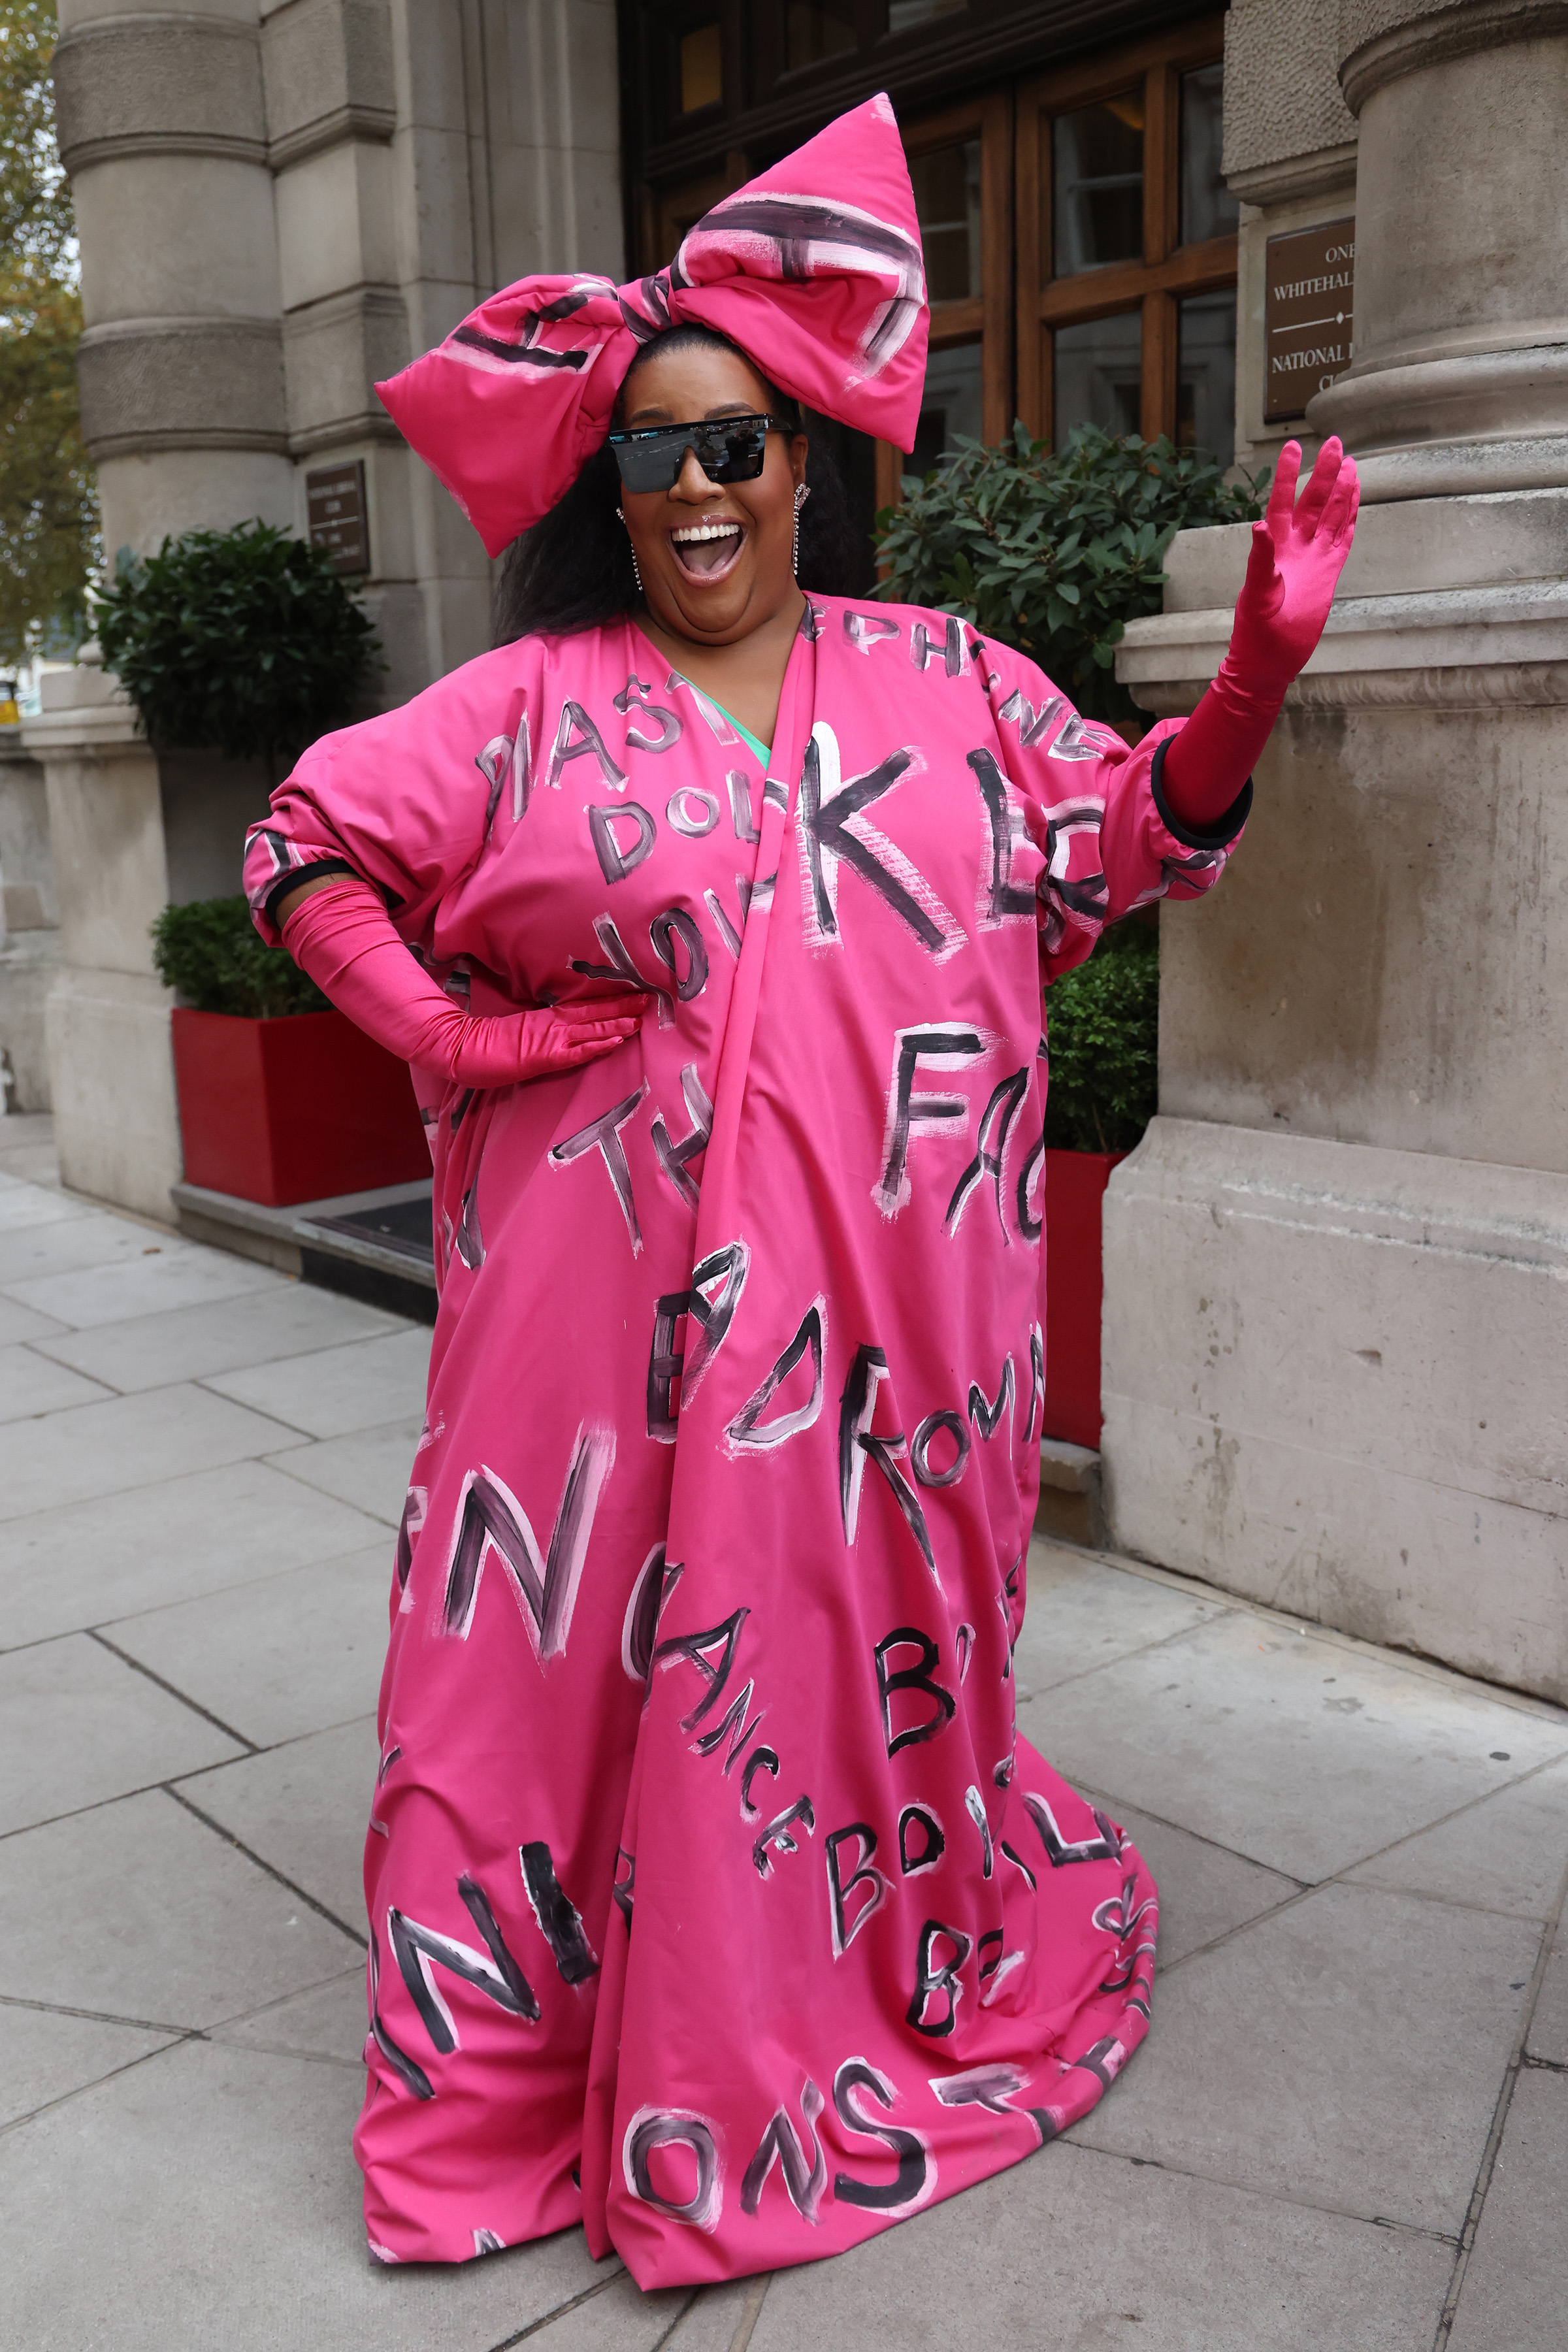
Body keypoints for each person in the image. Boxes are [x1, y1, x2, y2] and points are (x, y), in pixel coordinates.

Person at [244, 96, 1358, 2291]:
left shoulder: (944, 686)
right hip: (583, 1344)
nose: (696, 491)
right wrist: (441, 1037)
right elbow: (306, 847)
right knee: (522, 1711)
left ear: (805, 460)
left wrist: (1247, 680)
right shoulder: (524, 703)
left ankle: (786, 2040)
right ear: (609, 489)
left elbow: (1110, 847)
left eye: (733, 443)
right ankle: (493, 2102)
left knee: (837, 1687)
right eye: (651, 454)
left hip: (875, 1350)